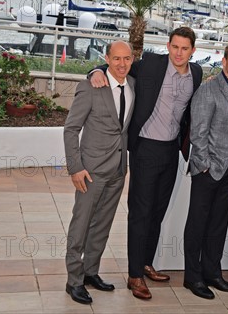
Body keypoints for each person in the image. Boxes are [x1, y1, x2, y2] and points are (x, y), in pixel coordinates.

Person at [89, 27, 203, 300]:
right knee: (140, 213)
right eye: (174, 46)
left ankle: (146, 263)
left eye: (184, 48)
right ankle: (134, 275)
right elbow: (118, 66)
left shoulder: (196, 74)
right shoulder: (152, 64)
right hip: (145, 149)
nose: (178, 52)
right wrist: (94, 71)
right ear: (168, 45)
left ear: (192, 51)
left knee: (157, 212)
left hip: (170, 151)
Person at [63, 40, 135, 305]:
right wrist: (76, 167)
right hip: (90, 171)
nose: (121, 64)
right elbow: (71, 129)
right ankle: (74, 281)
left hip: (117, 170)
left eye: (127, 58)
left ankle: (91, 272)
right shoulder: (90, 86)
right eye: (116, 59)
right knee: (81, 225)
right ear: (106, 58)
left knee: (102, 225)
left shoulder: (133, 85)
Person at [183, 42, 228, 300]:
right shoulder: (208, 90)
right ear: (224, 62)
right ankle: (192, 276)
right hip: (207, 170)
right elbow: (198, 133)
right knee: (197, 224)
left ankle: (212, 272)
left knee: (218, 225)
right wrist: (206, 166)